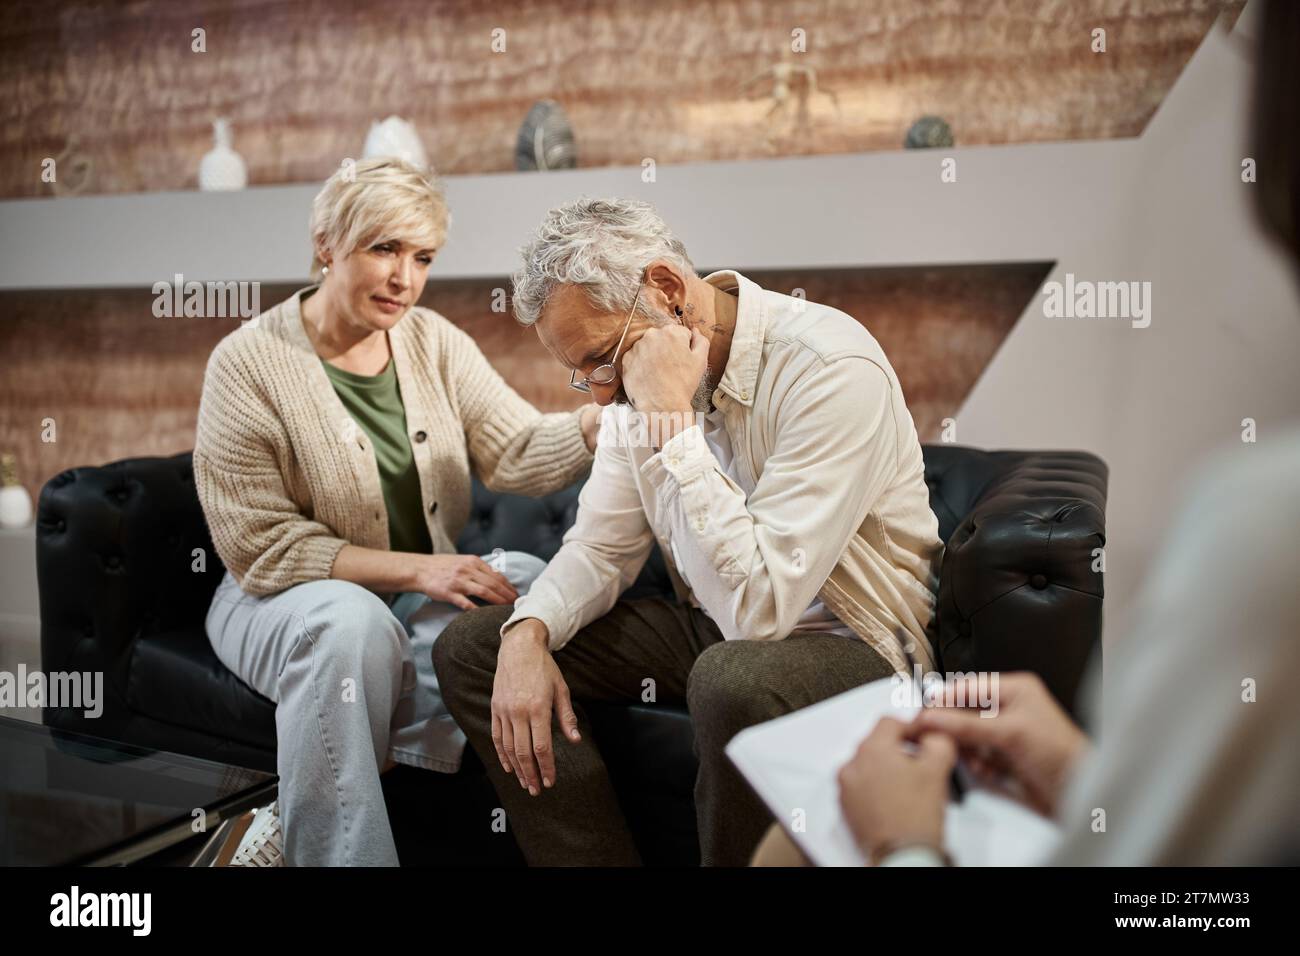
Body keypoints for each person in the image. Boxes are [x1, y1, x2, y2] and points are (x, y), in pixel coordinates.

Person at [754, 0, 1300, 868]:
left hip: (867, 654)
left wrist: (903, 840)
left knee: (790, 842)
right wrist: (1085, 776)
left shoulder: (1266, 528)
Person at [433, 197, 943, 865]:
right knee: (478, 645)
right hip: (715, 628)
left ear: (668, 290)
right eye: (583, 375)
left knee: (734, 677)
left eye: (603, 358)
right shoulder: (630, 390)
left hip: (855, 645)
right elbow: (601, 547)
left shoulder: (828, 366)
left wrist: (672, 426)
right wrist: (529, 631)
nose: (601, 397)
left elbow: (761, 612)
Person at [194, 157, 600, 866]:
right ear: (326, 244)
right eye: (384, 249)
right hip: (274, 598)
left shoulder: (433, 341)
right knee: (353, 625)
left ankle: (307, 802)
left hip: (403, 602)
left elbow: (516, 449)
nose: (404, 278)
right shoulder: (247, 362)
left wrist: (601, 423)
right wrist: (423, 570)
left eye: (423, 257)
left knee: (526, 583)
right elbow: (260, 546)